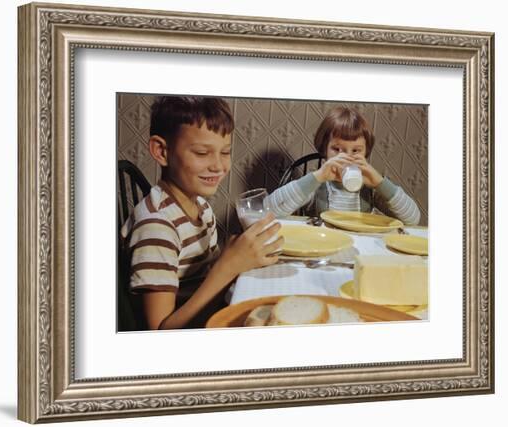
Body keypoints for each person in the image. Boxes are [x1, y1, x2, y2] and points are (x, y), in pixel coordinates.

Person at [121, 96, 283, 330]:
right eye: (201, 152)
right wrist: (228, 267)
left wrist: (236, 255)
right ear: (161, 151)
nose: (218, 166)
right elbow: (160, 333)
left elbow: (208, 275)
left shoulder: (201, 207)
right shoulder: (157, 225)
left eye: (225, 152)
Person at [266, 106, 421, 225]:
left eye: (356, 151)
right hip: (323, 247)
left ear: (365, 153)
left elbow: (412, 219)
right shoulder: (317, 185)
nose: (346, 157)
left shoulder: (371, 188)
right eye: (337, 149)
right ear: (324, 150)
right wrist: (317, 177)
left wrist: (380, 183)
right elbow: (270, 211)